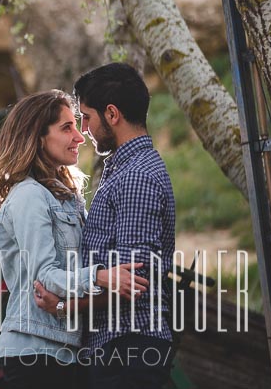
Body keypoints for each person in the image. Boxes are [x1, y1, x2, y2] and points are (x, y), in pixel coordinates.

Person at [0, 89, 146, 389]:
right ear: (37, 137)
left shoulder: (65, 197)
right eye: (66, 127)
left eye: (77, 124)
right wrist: (101, 277)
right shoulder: (29, 196)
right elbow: (45, 277)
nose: (79, 136)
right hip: (35, 355)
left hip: (63, 352)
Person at [35, 62, 176, 388]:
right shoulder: (123, 169)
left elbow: (132, 281)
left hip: (129, 347)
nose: (84, 129)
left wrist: (63, 308)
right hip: (120, 348)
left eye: (87, 117)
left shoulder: (136, 176)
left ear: (112, 114)